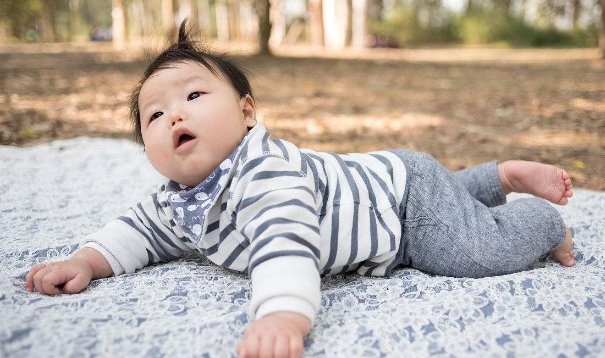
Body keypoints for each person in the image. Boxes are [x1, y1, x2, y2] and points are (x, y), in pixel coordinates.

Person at [25, 21, 575, 358]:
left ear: (246, 113)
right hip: (384, 184)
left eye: (194, 96)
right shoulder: (178, 198)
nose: (174, 116)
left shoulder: (266, 175)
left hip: (403, 210)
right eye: (154, 115)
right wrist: (88, 261)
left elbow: (284, 245)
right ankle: (491, 178)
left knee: (468, 250)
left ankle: (538, 218)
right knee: (451, 206)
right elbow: (136, 232)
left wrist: (283, 313)